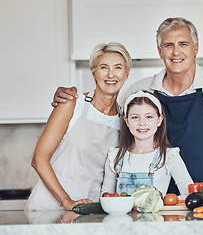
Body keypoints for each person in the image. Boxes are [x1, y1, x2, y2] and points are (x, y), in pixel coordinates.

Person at [52, 17, 203, 194]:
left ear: (195, 48)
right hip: (153, 208)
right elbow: (106, 112)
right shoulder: (139, 89)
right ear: (159, 51)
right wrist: (75, 98)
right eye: (168, 45)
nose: (176, 52)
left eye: (183, 44)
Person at [26, 42, 132, 210]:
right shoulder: (72, 104)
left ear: (126, 74)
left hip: (90, 210)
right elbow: (39, 159)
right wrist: (66, 201)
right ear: (93, 72)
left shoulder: (125, 120)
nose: (111, 74)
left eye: (118, 68)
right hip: (49, 207)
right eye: (104, 67)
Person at [101, 90, 193, 196]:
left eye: (149, 117)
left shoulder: (169, 156)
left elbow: (189, 195)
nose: (142, 123)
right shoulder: (114, 156)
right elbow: (106, 197)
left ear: (159, 120)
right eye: (135, 117)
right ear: (127, 121)